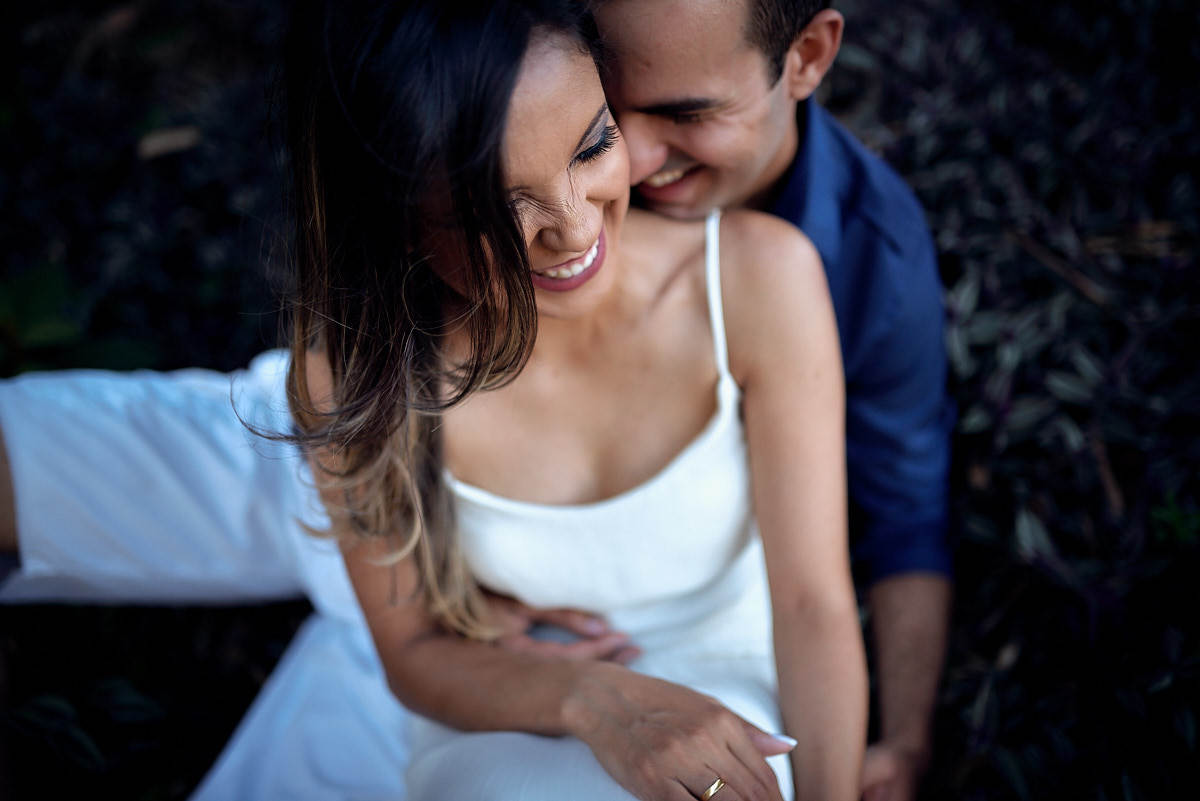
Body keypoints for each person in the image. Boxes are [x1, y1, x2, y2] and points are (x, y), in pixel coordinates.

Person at [1, 1, 867, 799]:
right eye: (500, 207)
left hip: (726, 673)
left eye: (593, 145)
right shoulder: (349, 377)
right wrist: (593, 697)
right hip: (513, 692)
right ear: (398, 214)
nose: (575, 229)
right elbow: (414, 649)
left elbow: (814, 606)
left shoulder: (758, 278)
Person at [529, 3, 952, 800]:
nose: (632, 160)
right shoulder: (557, 181)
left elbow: (905, 511)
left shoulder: (874, 266)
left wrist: (902, 737)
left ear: (808, 56)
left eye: (686, 114)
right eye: (606, 111)